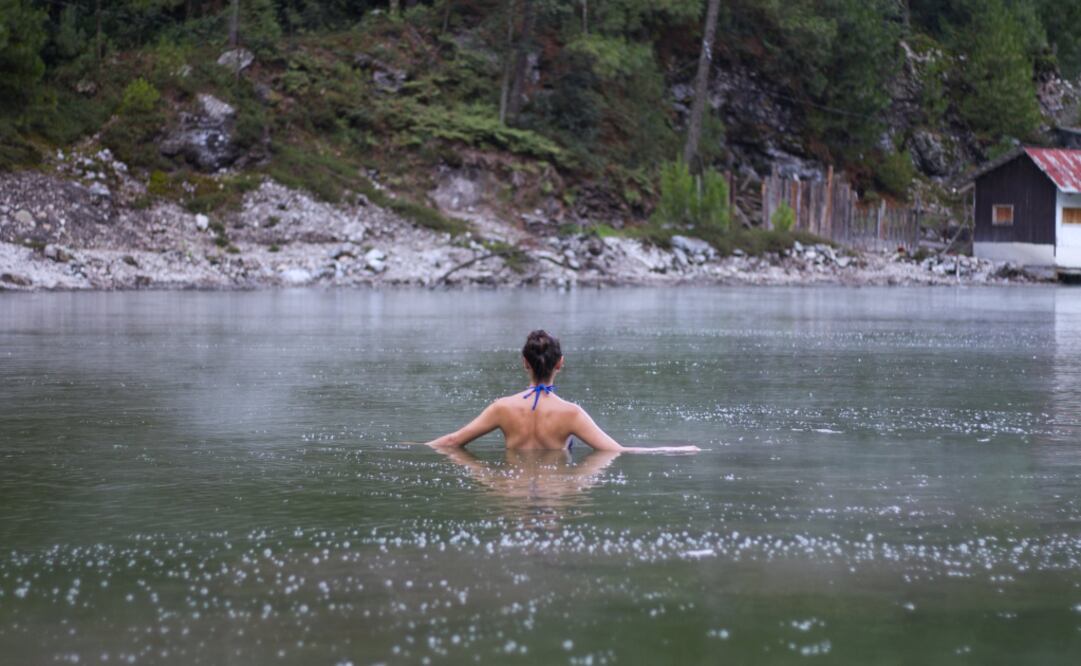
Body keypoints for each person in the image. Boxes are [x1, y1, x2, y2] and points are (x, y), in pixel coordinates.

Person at [425, 330, 700, 454]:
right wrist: (677, 449)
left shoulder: (502, 408)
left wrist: (409, 447)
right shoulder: (571, 414)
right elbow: (619, 451)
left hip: (513, 487)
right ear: (560, 363)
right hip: (554, 482)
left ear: (524, 363)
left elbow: (452, 441)